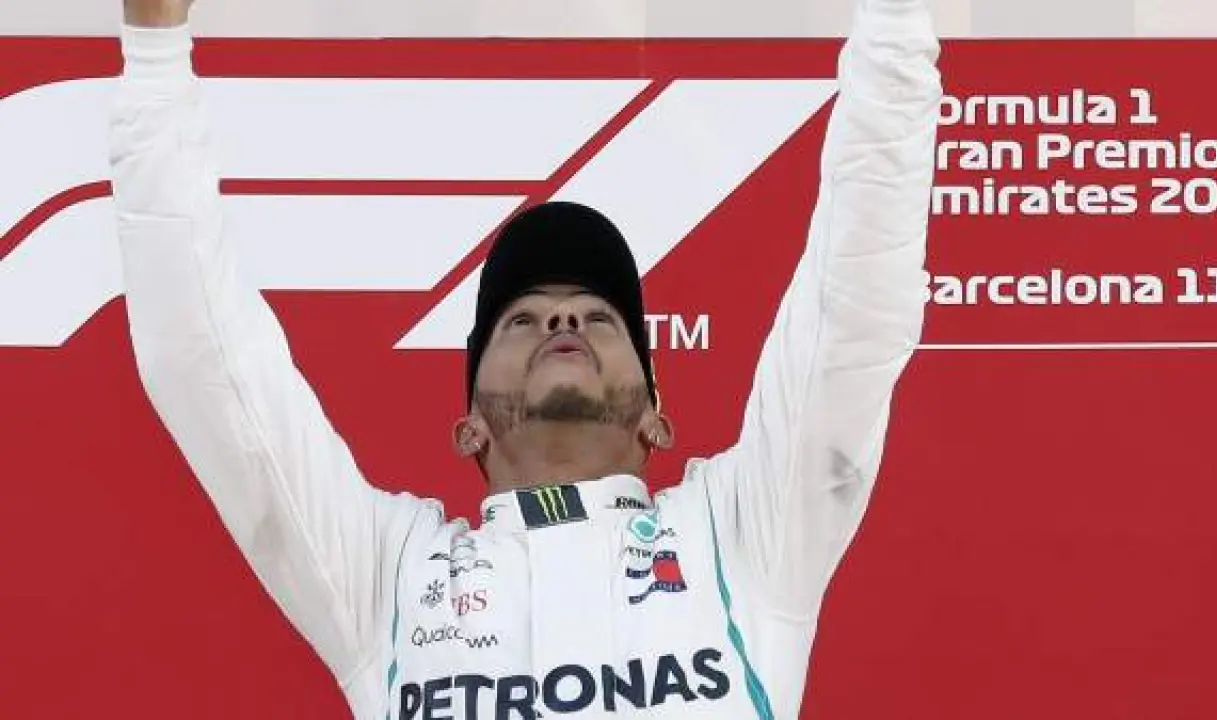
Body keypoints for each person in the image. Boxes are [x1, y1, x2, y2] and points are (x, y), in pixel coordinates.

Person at [110, 0, 942, 717]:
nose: (563, 317)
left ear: (657, 417)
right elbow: (207, 366)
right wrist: (154, 54)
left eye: (599, 316)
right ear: (469, 426)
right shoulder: (391, 576)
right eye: (521, 319)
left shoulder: (739, 537)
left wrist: (899, 19)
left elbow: (854, 305)